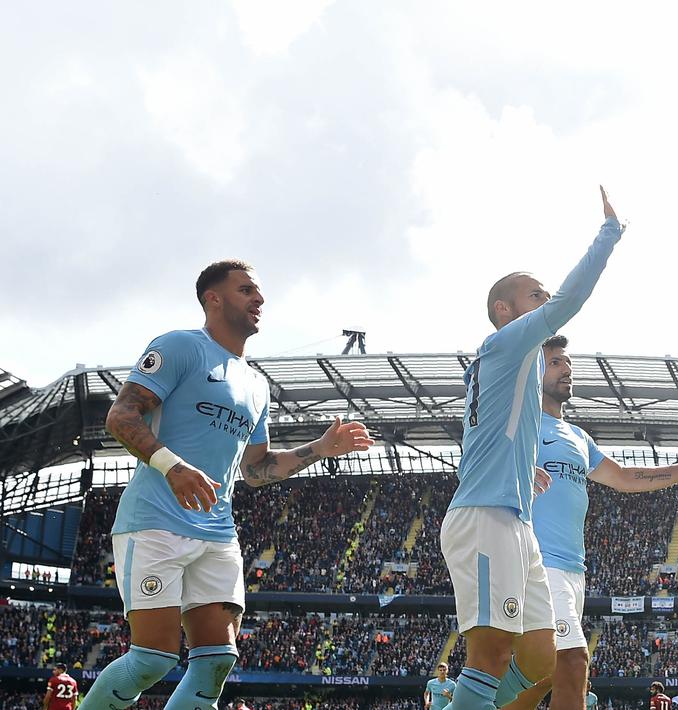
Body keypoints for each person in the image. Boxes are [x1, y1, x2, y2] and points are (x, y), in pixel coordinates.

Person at [79, 260, 374, 710]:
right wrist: (173, 467)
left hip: (217, 533)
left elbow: (256, 469)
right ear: (212, 298)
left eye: (258, 292)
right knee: (152, 660)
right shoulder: (179, 347)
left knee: (216, 661)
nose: (259, 299)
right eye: (246, 290)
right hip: (155, 523)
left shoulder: (256, 384)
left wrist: (320, 448)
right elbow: (121, 416)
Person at [443, 188, 627, 710]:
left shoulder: (513, 369)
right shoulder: (503, 346)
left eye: (544, 296)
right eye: (535, 296)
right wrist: (609, 233)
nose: (546, 303)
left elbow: (485, 435)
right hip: (487, 516)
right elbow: (571, 301)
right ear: (504, 311)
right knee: (492, 654)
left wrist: (526, 470)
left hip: (516, 518)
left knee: (545, 656)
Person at [503, 335, 678, 710]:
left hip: (573, 570)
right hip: (538, 563)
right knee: (573, 662)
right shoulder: (520, 424)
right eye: (554, 362)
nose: (566, 369)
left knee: (545, 672)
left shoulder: (579, 438)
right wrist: (516, 472)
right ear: (533, 372)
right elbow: (477, 465)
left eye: (567, 362)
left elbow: (625, 478)